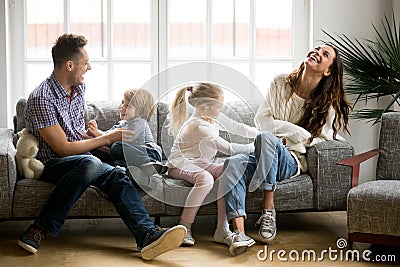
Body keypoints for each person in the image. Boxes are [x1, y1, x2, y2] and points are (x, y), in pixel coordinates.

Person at [18, 33, 186, 261]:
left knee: (118, 174)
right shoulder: (41, 98)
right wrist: (107, 138)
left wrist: (91, 136)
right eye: (85, 63)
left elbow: (74, 134)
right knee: (91, 161)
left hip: (83, 160)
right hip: (52, 164)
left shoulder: (77, 90)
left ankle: (147, 235)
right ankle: (40, 228)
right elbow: (63, 149)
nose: (90, 67)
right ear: (69, 65)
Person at [220, 44, 351, 253]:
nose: (317, 52)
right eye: (316, 48)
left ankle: (268, 209)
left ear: (328, 71)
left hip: (291, 162)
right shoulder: (280, 82)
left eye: (324, 54)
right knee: (233, 162)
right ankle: (239, 233)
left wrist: (291, 140)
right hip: (263, 153)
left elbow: (319, 140)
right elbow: (261, 120)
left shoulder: (328, 106)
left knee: (267, 138)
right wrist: (295, 131)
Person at [166, 83, 259, 255]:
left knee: (227, 171)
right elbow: (229, 149)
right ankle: (184, 226)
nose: (222, 108)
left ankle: (222, 230)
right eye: (219, 105)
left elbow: (239, 128)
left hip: (200, 163)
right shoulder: (198, 125)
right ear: (203, 107)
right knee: (206, 179)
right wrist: (257, 146)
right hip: (179, 164)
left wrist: (261, 134)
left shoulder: (212, 117)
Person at [86, 88, 167, 176]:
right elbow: (108, 135)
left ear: (140, 112)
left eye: (128, 106)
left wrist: (97, 133)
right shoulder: (122, 124)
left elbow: (117, 139)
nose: (122, 107)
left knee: (117, 147)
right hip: (130, 156)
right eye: (122, 102)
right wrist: (93, 134)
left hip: (149, 153)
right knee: (116, 162)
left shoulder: (139, 122)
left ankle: (151, 164)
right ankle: (136, 171)